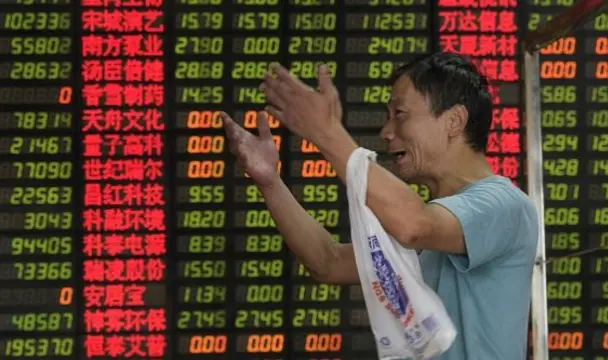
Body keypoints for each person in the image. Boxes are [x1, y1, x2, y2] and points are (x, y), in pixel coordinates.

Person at [221, 52, 539, 360]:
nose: (386, 133)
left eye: (399, 114)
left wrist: (326, 132)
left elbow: (414, 225)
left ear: (454, 121)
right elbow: (327, 262)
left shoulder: (504, 206)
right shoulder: (434, 230)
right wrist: (269, 182)